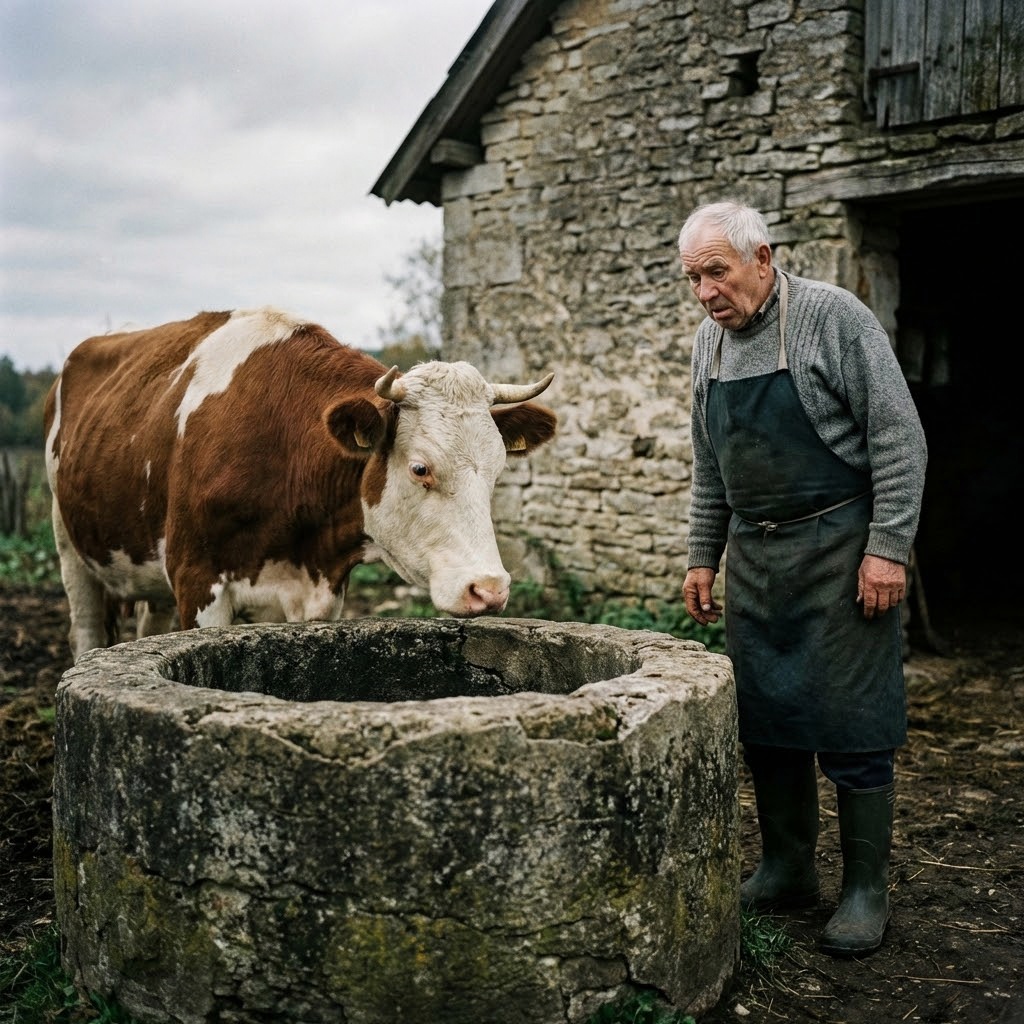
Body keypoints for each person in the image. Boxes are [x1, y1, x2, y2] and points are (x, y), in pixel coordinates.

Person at [677, 201, 927, 958]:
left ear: (762, 257)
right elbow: (709, 467)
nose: (705, 293)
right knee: (769, 723)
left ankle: (862, 891)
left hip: (843, 553)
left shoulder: (832, 317)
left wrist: (888, 548)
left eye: (716, 272)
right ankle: (788, 870)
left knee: (853, 724)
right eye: (692, 279)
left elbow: (900, 439)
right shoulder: (707, 347)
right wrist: (700, 555)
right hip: (758, 561)